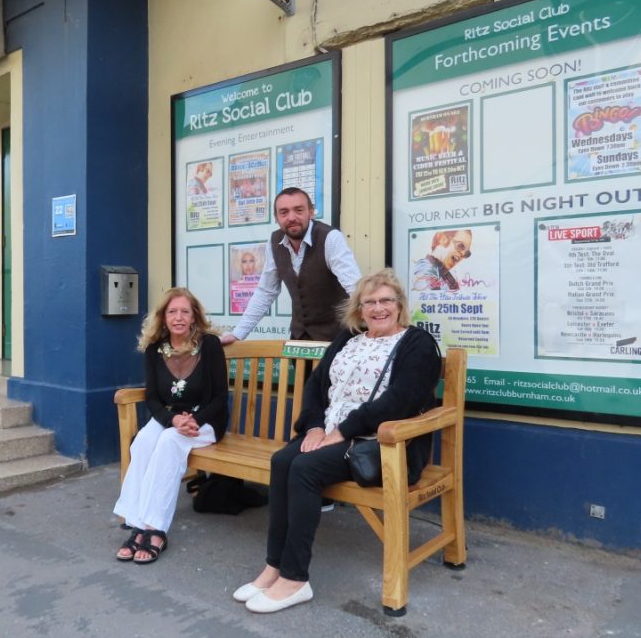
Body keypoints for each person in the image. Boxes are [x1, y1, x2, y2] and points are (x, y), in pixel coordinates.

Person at [233, 270, 441, 612]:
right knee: (282, 461)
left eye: (386, 300)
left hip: (382, 446)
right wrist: (314, 426)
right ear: (359, 309)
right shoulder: (349, 336)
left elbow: (401, 400)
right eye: (369, 302)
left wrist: (342, 431)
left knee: (303, 469)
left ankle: (296, 578)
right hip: (330, 435)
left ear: (400, 305)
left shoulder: (418, 345)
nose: (378, 309)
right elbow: (316, 385)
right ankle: (275, 565)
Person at [113, 287, 229, 564]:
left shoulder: (209, 344)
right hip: (171, 418)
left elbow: (220, 398)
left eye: (184, 311)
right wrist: (173, 419)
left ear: (194, 317)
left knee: (167, 443)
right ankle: (135, 521)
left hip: (207, 420)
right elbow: (152, 397)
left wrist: (194, 421)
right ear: (163, 317)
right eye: (172, 311)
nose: (178, 317)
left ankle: (155, 529)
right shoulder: (155, 348)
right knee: (142, 441)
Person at [221, 187, 361, 345]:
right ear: (276, 217)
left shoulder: (330, 238)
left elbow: (355, 288)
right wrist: (238, 334)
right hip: (299, 340)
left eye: (298, 210)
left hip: (337, 340)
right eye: (284, 212)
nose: (291, 217)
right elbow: (266, 292)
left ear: (311, 212)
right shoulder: (274, 241)